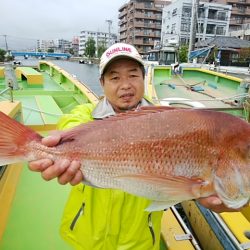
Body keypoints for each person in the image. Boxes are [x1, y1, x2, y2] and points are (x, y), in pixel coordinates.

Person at [29, 43, 240, 250]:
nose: (125, 85)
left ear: (143, 78)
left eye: (133, 75)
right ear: (102, 83)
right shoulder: (84, 115)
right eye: (114, 77)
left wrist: (226, 193)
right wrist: (58, 145)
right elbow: (71, 126)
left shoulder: (167, 122)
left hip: (138, 243)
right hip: (87, 238)